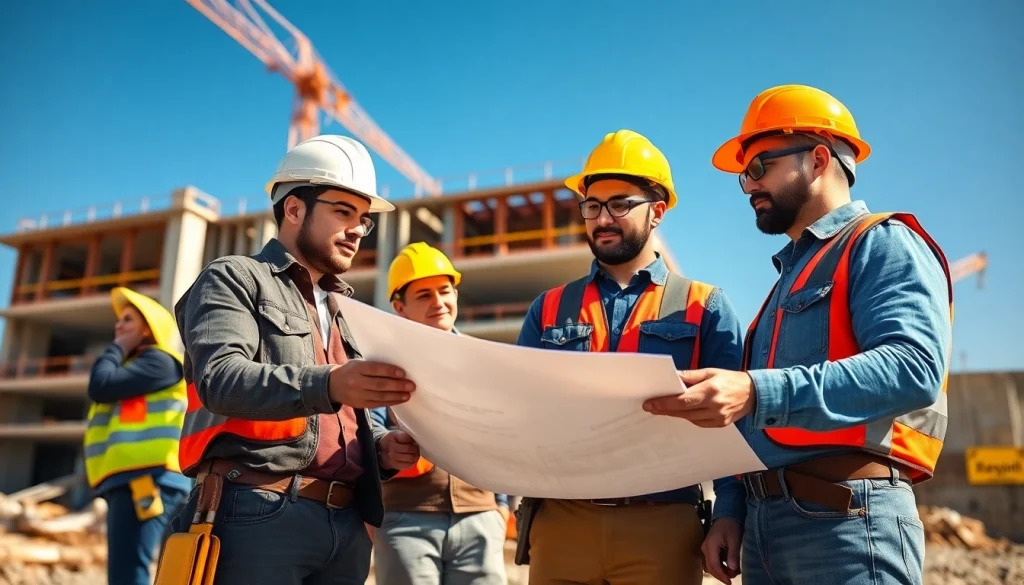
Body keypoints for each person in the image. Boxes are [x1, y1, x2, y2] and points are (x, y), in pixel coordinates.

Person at [643, 84, 954, 585]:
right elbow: (763, 429)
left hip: (847, 522)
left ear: (817, 158)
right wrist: (732, 510)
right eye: (744, 176)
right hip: (768, 528)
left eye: (759, 167)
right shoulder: (787, 282)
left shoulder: (882, 242)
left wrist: (755, 389)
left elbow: (913, 369)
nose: (748, 187)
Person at [168, 134, 423, 585]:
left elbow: (345, 410)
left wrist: (381, 447)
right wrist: (328, 384)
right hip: (255, 510)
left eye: (364, 220)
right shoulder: (234, 278)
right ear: (293, 209)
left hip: (346, 525)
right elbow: (222, 379)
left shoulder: (346, 310)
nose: (357, 231)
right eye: (343, 212)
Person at [514, 129, 745, 585]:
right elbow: (520, 412)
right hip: (561, 522)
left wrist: (730, 514)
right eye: (592, 206)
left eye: (620, 204)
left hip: (663, 523)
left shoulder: (705, 305)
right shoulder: (549, 308)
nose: (603, 218)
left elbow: (736, 426)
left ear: (657, 211)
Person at [369, 242, 509, 585]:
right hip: (406, 518)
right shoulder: (380, 365)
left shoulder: (483, 361)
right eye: (424, 295)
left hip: (480, 516)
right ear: (399, 307)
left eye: (445, 291)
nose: (438, 303)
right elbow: (365, 430)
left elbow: (505, 437)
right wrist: (385, 441)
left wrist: (501, 507)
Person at [85, 286, 191, 585]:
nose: (119, 325)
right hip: (137, 479)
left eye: (129, 320)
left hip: (146, 479)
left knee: (128, 572)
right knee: (129, 569)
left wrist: (116, 348)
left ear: (148, 329)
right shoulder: (141, 368)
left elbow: (100, 385)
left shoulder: (158, 361)